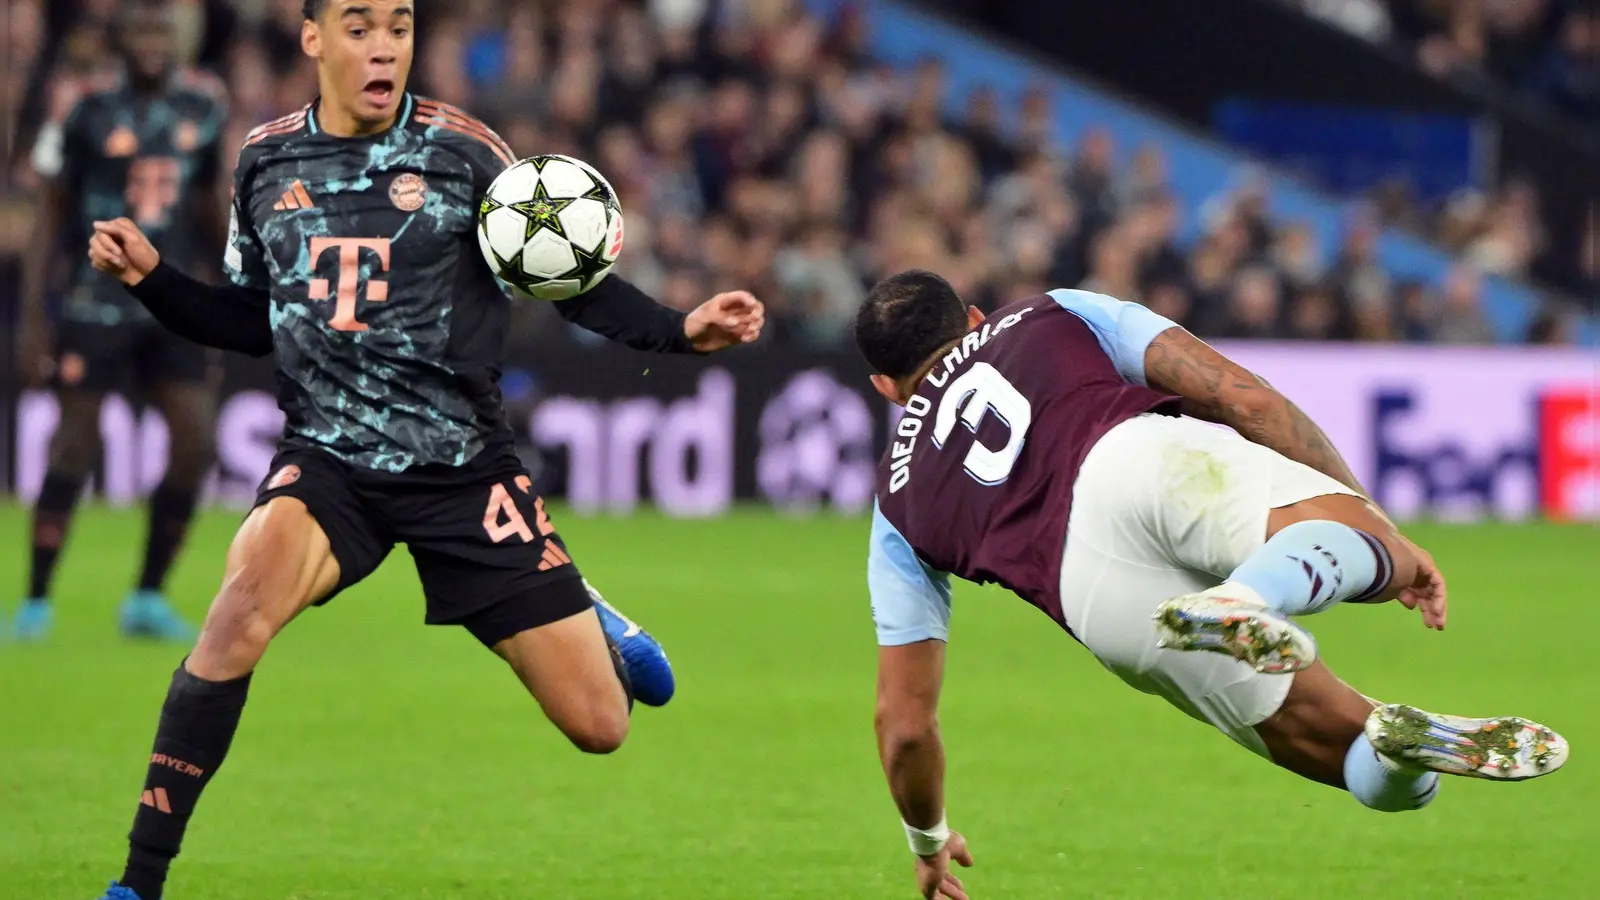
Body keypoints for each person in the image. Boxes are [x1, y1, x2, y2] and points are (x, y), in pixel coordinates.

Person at [80, 2, 765, 898]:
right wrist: (154, 283)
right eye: (360, 27)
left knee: (603, 724)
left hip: (464, 472)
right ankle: (137, 883)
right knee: (236, 613)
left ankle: (588, 610)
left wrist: (682, 329)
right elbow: (256, 321)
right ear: (314, 37)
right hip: (329, 463)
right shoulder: (264, 160)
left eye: (398, 27)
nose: (384, 48)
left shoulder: (467, 152)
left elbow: (566, 279)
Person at [856, 270, 1566, 900]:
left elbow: (906, 725)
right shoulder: (1051, 313)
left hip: (1095, 597)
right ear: (974, 318)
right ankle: (1250, 598)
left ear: (885, 388)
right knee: (1376, 552)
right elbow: (1241, 397)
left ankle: (1400, 755)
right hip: (1137, 458)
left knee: (1354, 753)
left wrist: (928, 841)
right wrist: (1378, 528)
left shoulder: (896, 503)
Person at [13, 0, 229, 642]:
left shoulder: (204, 105)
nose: (152, 43)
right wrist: (33, 318)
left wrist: (236, 292)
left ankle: (147, 596)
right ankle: (35, 601)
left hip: (173, 299)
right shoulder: (83, 105)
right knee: (74, 446)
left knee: (196, 440)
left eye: (161, 30)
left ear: (179, 37)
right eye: (140, 30)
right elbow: (50, 216)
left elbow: (210, 209)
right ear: (121, 39)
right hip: (95, 300)